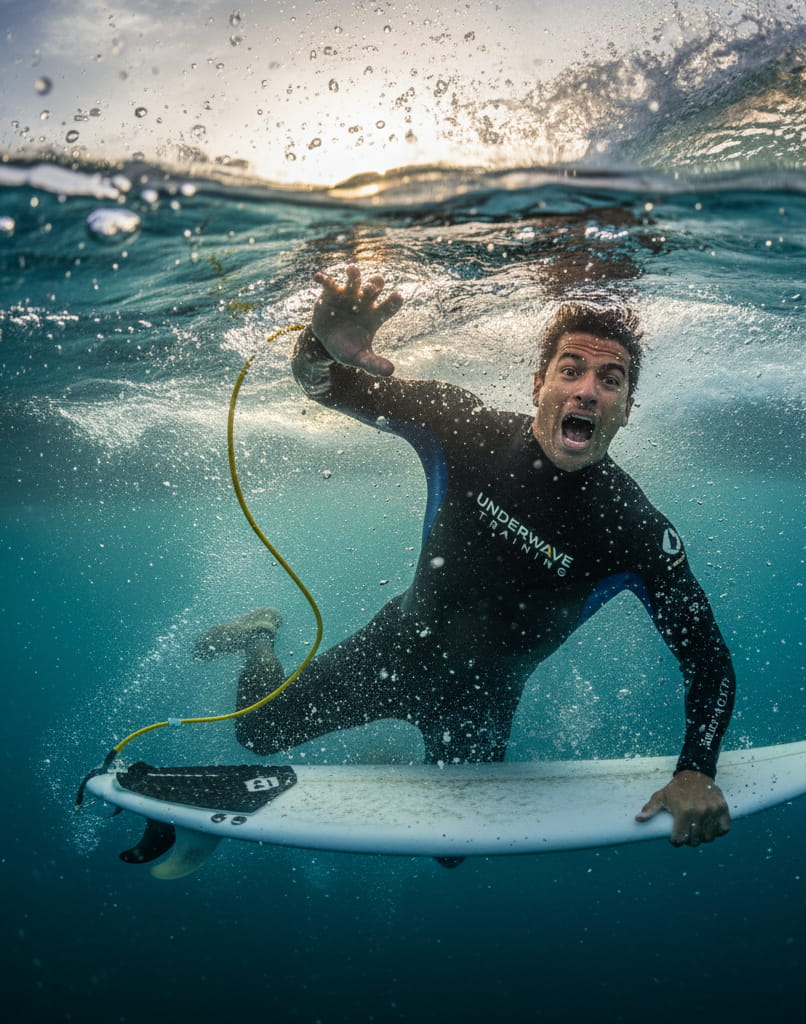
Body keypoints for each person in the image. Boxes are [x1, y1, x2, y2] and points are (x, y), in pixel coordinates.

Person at [195, 266, 735, 848]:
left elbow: (707, 660)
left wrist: (696, 769)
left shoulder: (636, 530)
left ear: (626, 407)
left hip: (480, 704)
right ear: (539, 386)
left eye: (611, 380)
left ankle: (397, 760)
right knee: (255, 732)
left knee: (452, 849)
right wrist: (320, 347)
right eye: (570, 370)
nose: (586, 390)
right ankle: (259, 636)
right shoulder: (464, 426)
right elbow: (322, 385)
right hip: (393, 650)